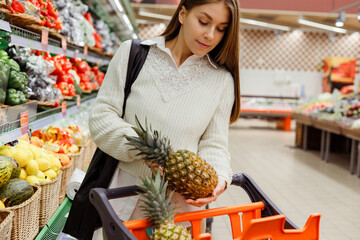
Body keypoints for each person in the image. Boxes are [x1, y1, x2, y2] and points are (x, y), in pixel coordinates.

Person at [90, 0, 240, 238]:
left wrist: (219, 179)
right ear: (182, 14)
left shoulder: (221, 80)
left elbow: (214, 144)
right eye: (203, 21)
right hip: (122, 200)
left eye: (221, 28)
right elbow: (101, 117)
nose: (210, 35)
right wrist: (141, 148)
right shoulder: (133, 53)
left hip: (180, 212)